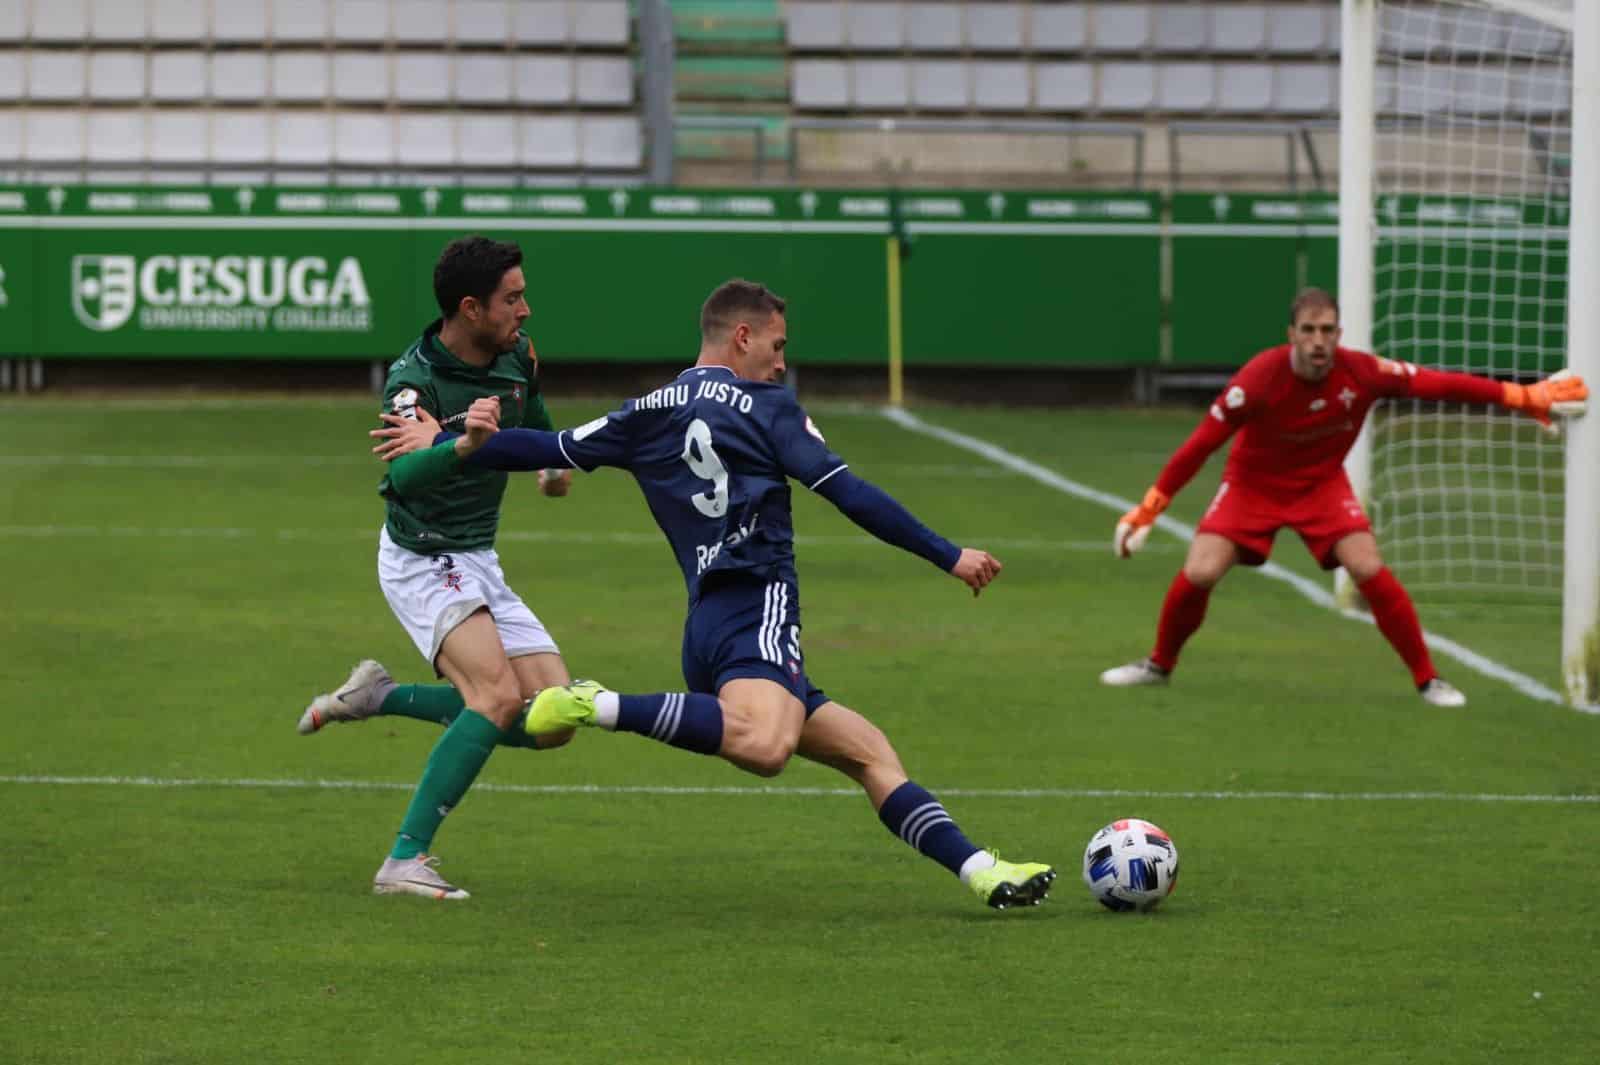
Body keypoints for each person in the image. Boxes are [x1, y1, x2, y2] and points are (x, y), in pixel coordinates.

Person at [372, 279, 1057, 910]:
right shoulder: (768, 407)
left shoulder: (648, 410)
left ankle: (983, 872)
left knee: (868, 751)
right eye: (778, 345)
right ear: (742, 337)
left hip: (706, 626)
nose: (783, 363)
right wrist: (949, 555)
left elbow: (546, 444)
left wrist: (453, 438)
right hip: (757, 609)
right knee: (765, 746)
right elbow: (849, 492)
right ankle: (596, 701)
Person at [1100, 287, 1588, 706]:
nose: (1319, 341)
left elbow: (1438, 382)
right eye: (1309, 330)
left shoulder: (1363, 372)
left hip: (1320, 484)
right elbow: (1200, 445)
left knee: (1367, 565)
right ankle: (1158, 665)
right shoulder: (1257, 378)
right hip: (1253, 484)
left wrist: (1521, 396)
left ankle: (1428, 679)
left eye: (1328, 330)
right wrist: (1150, 508)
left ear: (1338, 333)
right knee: (1201, 569)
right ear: (1290, 334)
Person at [303, 235, 578, 901]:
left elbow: (533, 414)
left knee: (554, 717)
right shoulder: (413, 380)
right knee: (495, 697)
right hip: (423, 556)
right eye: (512, 298)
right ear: (470, 308)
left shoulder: (517, 355)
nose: (526, 309)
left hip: (478, 557)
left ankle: (378, 696)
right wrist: (465, 445)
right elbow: (404, 473)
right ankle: (404, 860)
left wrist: (549, 460)